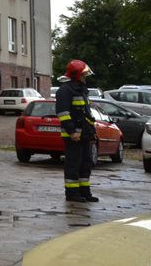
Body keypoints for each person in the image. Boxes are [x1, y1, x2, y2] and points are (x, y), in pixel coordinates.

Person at [55, 59, 99, 203]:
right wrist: (72, 132)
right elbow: (63, 113)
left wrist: (91, 131)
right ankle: (72, 193)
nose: (85, 77)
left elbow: (85, 113)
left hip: (85, 134)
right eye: (83, 74)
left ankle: (85, 192)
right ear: (76, 75)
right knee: (73, 164)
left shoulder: (81, 89)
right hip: (73, 135)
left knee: (86, 163)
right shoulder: (65, 90)